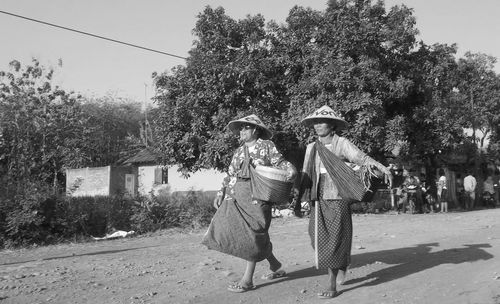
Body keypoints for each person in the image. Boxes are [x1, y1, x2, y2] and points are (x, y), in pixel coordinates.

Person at [297, 105, 392, 299]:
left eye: (322, 122)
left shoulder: (342, 143)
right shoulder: (311, 148)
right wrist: (298, 200)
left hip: (338, 196)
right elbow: (306, 175)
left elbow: (361, 158)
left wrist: (382, 168)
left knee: (334, 238)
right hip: (318, 196)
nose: (318, 126)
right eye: (315, 122)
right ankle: (341, 262)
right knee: (315, 236)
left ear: (332, 125)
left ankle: (331, 284)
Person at [202, 114, 296, 293]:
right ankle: (275, 265)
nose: (241, 131)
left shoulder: (267, 146)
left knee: (254, 234)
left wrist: (291, 170)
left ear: (255, 129)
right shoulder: (239, 151)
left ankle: (247, 280)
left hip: (259, 196)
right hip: (238, 195)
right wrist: (221, 193)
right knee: (245, 232)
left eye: (245, 127)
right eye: (240, 128)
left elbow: (281, 162)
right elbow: (230, 174)